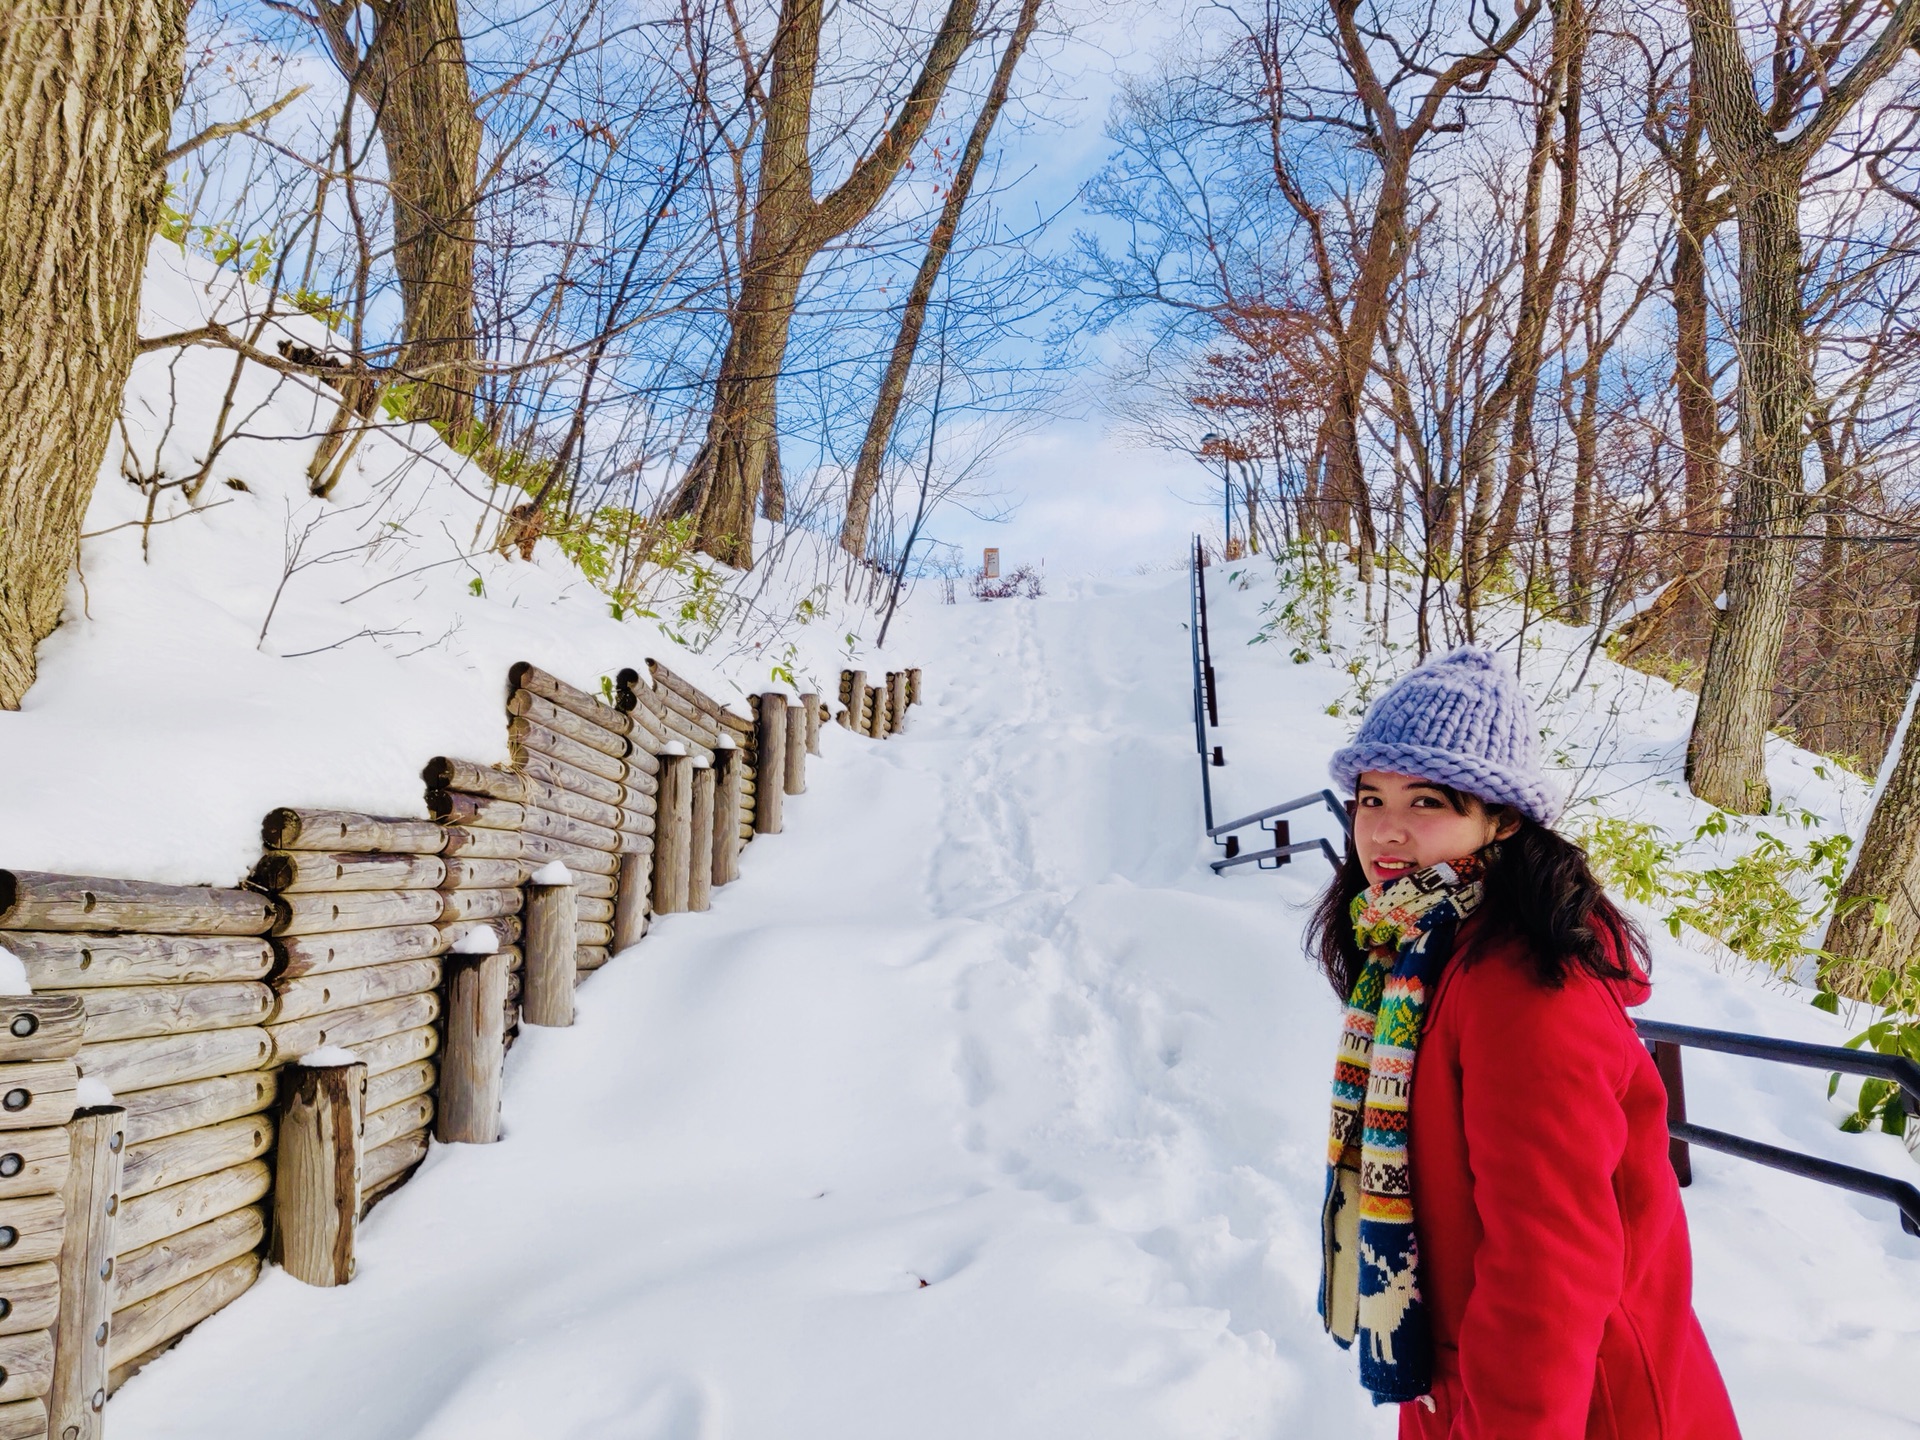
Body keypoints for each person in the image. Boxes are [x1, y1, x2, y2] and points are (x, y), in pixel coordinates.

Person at [1308, 645, 1741, 1439]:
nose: (1385, 830)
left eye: (1427, 800)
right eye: (1370, 797)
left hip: (1572, 1402)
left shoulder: (1523, 988)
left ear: (1501, 819)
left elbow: (1550, 1268)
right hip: (1457, 1375)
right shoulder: (1416, 950)